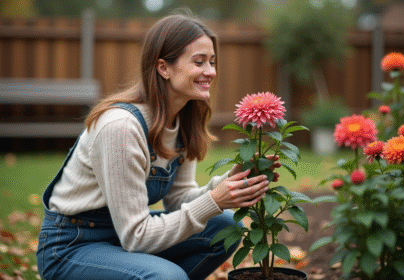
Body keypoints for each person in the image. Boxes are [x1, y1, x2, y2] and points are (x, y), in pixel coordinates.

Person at [36, 13, 280, 280]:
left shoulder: (184, 120)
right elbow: (136, 237)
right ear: (163, 68)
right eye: (199, 62)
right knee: (167, 276)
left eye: (212, 62)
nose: (211, 72)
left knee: (224, 227)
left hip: (120, 239)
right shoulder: (121, 127)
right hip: (73, 247)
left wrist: (228, 184)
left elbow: (179, 200)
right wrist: (214, 200)